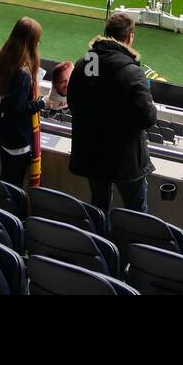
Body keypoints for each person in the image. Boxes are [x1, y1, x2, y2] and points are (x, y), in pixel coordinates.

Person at [66, 11, 157, 215]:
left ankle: (100, 244)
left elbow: (74, 101)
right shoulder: (132, 71)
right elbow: (148, 117)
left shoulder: (87, 63)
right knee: (136, 212)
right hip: (124, 158)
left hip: (92, 153)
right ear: (130, 37)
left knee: (99, 205)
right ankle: (133, 246)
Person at [0, 17, 47, 188]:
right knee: (14, 185)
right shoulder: (22, 74)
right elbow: (17, 110)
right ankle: (10, 213)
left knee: (7, 178)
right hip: (16, 138)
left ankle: (3, 210)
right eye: (37, 40)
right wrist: (42, 103)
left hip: (0, 130)